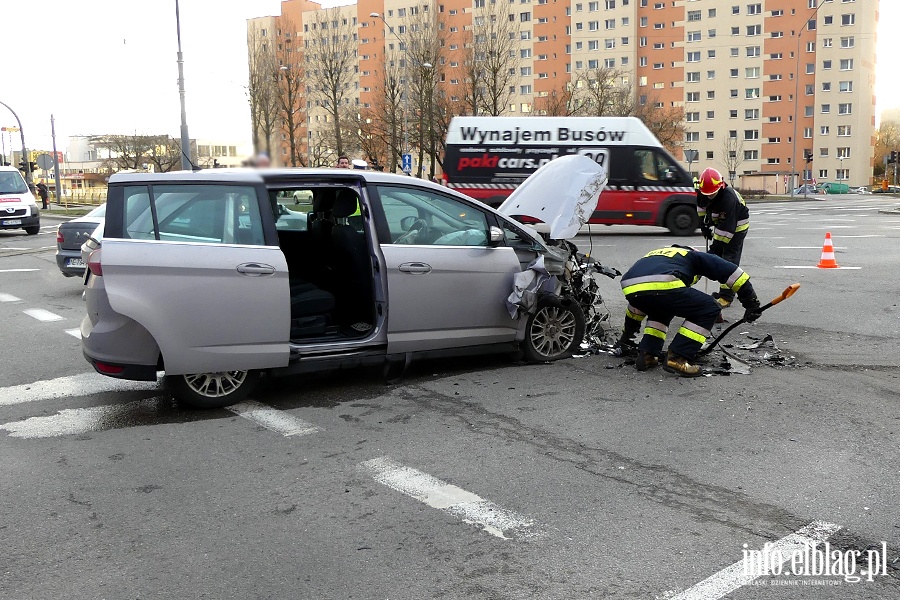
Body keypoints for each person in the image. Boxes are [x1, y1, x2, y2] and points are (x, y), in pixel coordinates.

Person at [613, 245, 762, 377]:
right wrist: (751, 303)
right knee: (709, 308)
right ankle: (678, 358)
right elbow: (735, 274)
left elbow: (634, 311)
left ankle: (647, 354)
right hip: (665, 282)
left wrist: (625, 339)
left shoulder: (658, 255)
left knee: (660, 308)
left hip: (630, 286)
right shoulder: (693, 255)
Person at [696, 167, 750, 308]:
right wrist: (704, 226)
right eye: (707, 193)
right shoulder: (703, 191)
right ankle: (737, 286)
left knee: (728, 260)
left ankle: (726, 296)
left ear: (720, 187)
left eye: (712, 193)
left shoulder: (729, 199)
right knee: (719, 258)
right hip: (723, 224)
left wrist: (715, 249)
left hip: (737, 227)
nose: (709, 196)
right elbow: (701, 209)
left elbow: (726, 231)